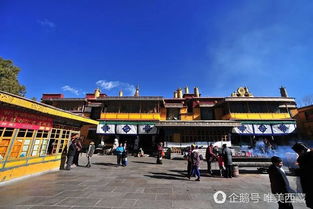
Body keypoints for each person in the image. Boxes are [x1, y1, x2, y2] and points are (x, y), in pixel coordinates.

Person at [292, 142, 313, 208]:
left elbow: (306, 171)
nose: (298, 154)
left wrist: (296, 171)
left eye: (298, 153)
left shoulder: (304, 157)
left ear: (302, 150)